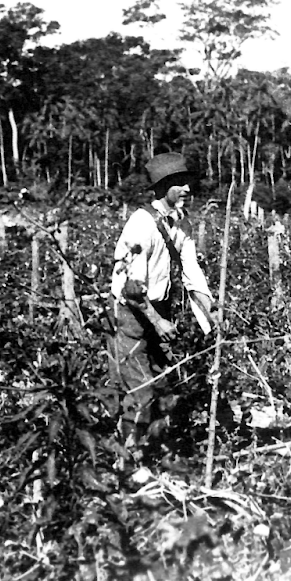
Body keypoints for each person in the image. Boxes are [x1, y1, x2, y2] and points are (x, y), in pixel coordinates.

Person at [107, 152, 215, 458]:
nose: (187, 190)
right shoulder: (142, 225)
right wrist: (157, 322)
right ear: (162, 187)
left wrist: (214, 313)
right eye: (179, 184)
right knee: (141, 391)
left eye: (188, 183)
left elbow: (193, 276)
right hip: (130, 313)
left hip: (157, 308)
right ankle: (131, 460)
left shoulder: (182, 225)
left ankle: (156, 453)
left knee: (166, 387)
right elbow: (131, 289)